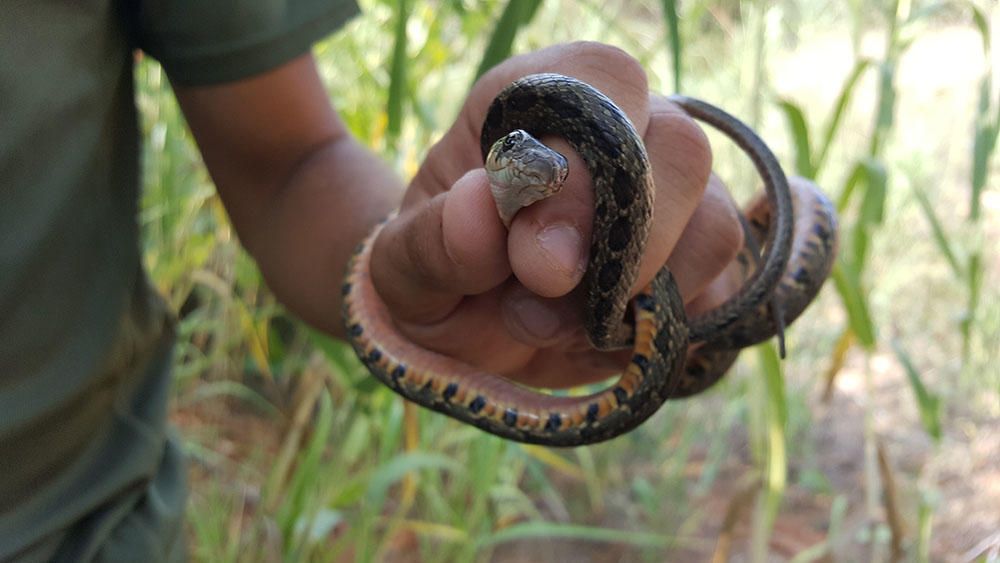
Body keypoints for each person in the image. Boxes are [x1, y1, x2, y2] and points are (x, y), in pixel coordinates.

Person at [1, 1, 748, 560]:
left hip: (89, 530)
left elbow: (290, 163)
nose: (532, 171)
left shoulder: (518, 182)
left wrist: (413, 273)